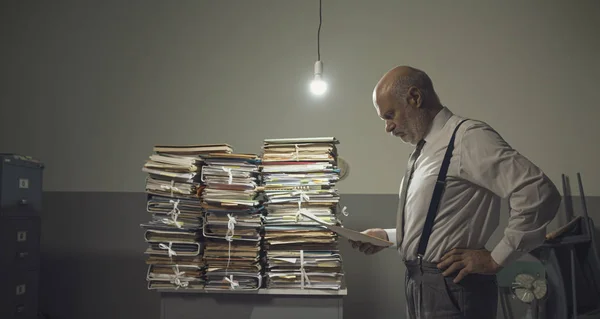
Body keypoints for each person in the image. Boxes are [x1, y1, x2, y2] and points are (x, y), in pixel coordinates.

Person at [350, 65, 561, 319]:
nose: (388, 127)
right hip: (419, 284)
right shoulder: (424, 150)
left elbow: (538, 192)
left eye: (390, 115)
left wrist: (497, 257)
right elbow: (439, 222)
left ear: (415, 98)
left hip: (454, 288)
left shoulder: (467, 138)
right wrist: (388, 236)